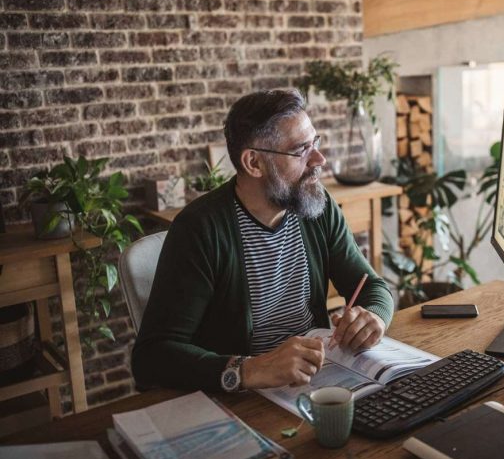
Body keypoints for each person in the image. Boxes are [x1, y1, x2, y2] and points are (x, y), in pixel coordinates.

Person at [131, 89, 394, 393]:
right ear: (253, 162)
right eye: (301, 150)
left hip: (317, 382)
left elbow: (372, 286)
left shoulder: (315, 207)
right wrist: (249, 370)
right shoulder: (200, 229)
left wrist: (373, 316)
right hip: (242, 398)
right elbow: (151, 357)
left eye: (316, 143)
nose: (319, 160)